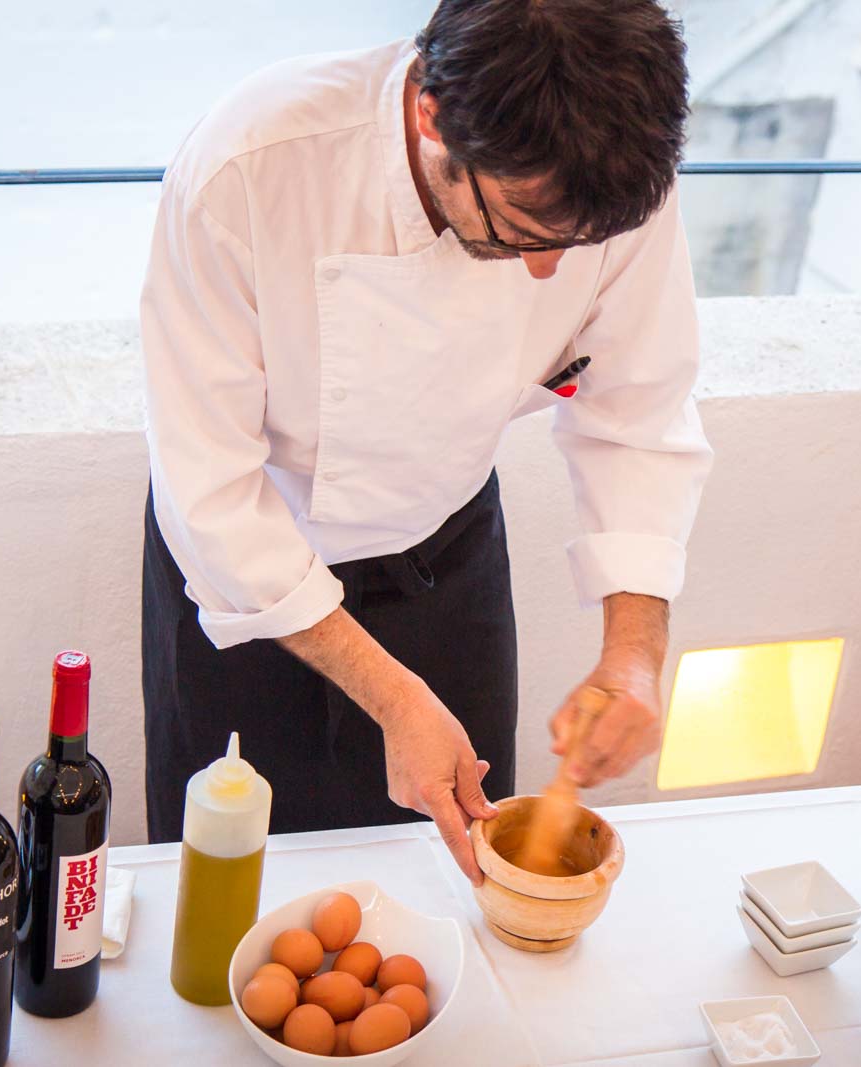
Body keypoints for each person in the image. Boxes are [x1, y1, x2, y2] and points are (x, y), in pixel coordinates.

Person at [139, 0, 712, 885]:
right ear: (430, 114)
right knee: (233, 886)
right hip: (247, 565)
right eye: (524, 230)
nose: (550, 271)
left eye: (577, 244)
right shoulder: (249, 166)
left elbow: (638, 413)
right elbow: (205, 482)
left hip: (447, 552)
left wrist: (633, 655)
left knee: (462, 875)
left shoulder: (612, 174)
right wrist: (391, 693)